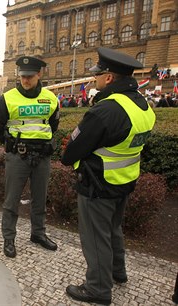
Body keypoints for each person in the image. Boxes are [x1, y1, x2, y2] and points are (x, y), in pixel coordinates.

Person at [61, 47, 156, 305]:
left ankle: (98, 289)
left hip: (98, 184)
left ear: (109, 78)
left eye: (98, 75)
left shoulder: (106, 110)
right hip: (124, 180)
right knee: (113, 229)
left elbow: (71, 151)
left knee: (95, 237)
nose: (95, 79)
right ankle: (118, 271)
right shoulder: (142, 105)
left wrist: (68, 154)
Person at [0, 56, 60, 258]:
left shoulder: (51, 98)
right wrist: (10, 143)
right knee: (11, 200)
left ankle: (38, 234)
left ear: (39, 74)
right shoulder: (8, 98)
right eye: (23, 76)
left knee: (40, 198)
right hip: (18, 156)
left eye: (30, 76)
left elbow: (53, 125)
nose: (26, 80)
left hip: (42, 156)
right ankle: (9, 238)